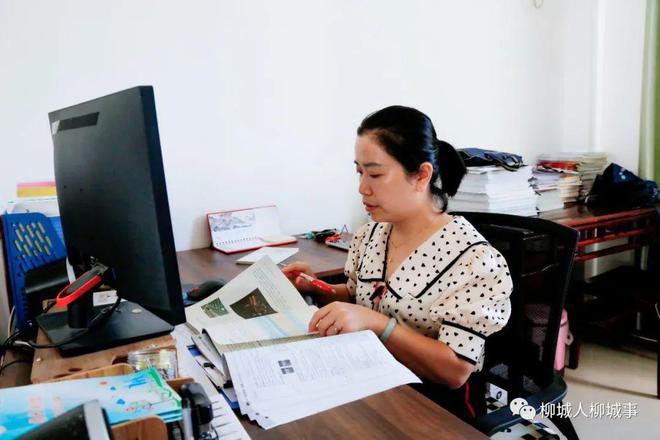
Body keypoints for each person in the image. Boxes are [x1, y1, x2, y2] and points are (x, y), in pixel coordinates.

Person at [282, 105, 513, 421]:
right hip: (369, 380)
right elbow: (358, 297)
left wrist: (378, 325)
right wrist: (316, 287)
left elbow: (455, 370)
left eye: (375, 174)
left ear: (421, 176)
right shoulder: (371, 234)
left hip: (433, 406)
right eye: (360, 172)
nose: (362, 188)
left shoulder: (474, 261)